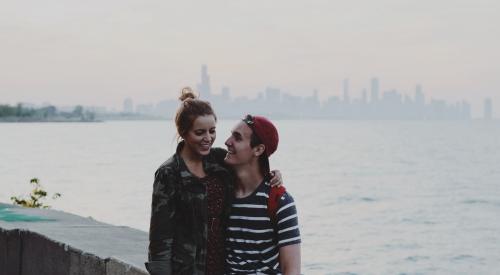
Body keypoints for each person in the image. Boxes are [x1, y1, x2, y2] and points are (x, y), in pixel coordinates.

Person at [146, 88, 282, 275]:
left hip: (225, 266)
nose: (208, 139)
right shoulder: (168, 173)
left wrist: (273, 175)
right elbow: (160, 239)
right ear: (183, 133)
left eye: (212, 131)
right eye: (200, 132)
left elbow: (251, 172)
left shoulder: (219, 159)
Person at [224, 115, 301, 274]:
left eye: (237, 138)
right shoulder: (221, 192)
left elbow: (292, 270)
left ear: (258, 149)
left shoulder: (280, 201)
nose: (227, 141)